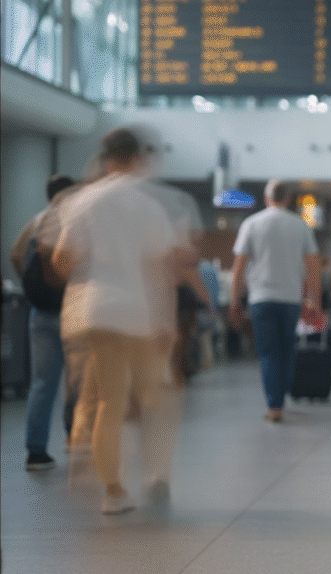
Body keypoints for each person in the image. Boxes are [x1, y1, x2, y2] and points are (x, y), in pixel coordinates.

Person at [48, 128, 187, 514]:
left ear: (106, 158)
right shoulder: (148, 205)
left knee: (109, 401)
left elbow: (61, 260)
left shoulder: (82, 201)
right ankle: (156, 475)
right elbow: (160, 267)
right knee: (151, 397)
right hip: (139, 313)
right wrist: (166, 320)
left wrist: (89, 276)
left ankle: (113, 492)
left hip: (96, 311)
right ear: (137, 159)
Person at [230, 179, 321, 423]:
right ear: (288, 199)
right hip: (290, 297)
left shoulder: (252, 223)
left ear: (266, 198)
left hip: (261, 298)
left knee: (269, 351)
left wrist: (234, 300)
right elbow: (312, 266)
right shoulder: (300, 225)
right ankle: (282, 392)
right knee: (287, 348)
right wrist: (316, 302)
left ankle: (274, 404)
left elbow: (239, 267)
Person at [10, 174, 78, 470]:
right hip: (71, 311)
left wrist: (30, 283)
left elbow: (15, 254)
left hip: (40, 312)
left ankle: (36, 451)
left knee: (42, 384)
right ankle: (75, 439)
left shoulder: (36, 221)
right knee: (76, 382)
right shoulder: (75, 221)